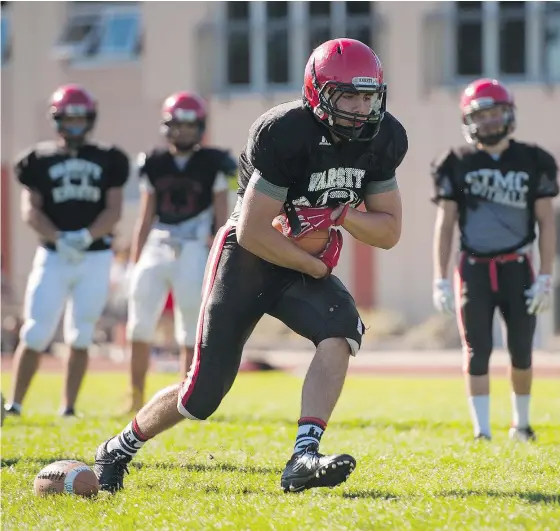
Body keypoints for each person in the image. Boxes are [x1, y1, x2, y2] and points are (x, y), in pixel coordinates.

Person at [94, 38, 407, 493]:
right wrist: (315, 266)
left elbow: (389, 231)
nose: (361, 109)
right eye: (349, 96)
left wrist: (343, 215)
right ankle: (117, 448)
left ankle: (303, 455)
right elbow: (253, 232)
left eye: (368, 96)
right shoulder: (284, 132)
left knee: (341, 333)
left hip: (301, 263)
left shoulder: (384, 137)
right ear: (318, 93)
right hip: (250, 259)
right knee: (202, 394)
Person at [431, 78, 559, 442]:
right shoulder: (455, 162)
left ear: (509, 114)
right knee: (477, 348)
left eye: (495, 113)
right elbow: (445, 224)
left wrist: (546, 275)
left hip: (519, 265)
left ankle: (522, 424)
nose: (488, 122)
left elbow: (547, 222)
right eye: (481, 115)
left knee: (521, 346)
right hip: (474, 268)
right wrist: (439, 277)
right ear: (470, 120)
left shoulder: (534, 159)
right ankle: (482, 431)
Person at [4, 84, 130, 417]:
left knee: (82, 331)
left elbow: (114, 210)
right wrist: (59, 237)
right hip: (53, 254)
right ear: (56, 119)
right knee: (35, 329)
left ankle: (68, 407)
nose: (74, 124)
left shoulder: (109, 158)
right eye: (68, 118)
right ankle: (14, 404)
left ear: (90, 119)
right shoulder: (37, 159)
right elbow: (30, 209)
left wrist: (86, 236)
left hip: (95, 254)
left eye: (79, 118)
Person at [124, 91, 236, 412]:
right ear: (167, 126)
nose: (183, 131)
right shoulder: (154, 162)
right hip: (158, 244)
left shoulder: (213, 162)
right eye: (178, 124)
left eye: (189, 125)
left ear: (200, 126)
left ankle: (184, 396)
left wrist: (219, 257)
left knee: (190, 324)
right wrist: (134, 261)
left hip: (194, 246)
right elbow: (145, 218)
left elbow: (220, 216)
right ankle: (135, 395)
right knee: (139, 322)